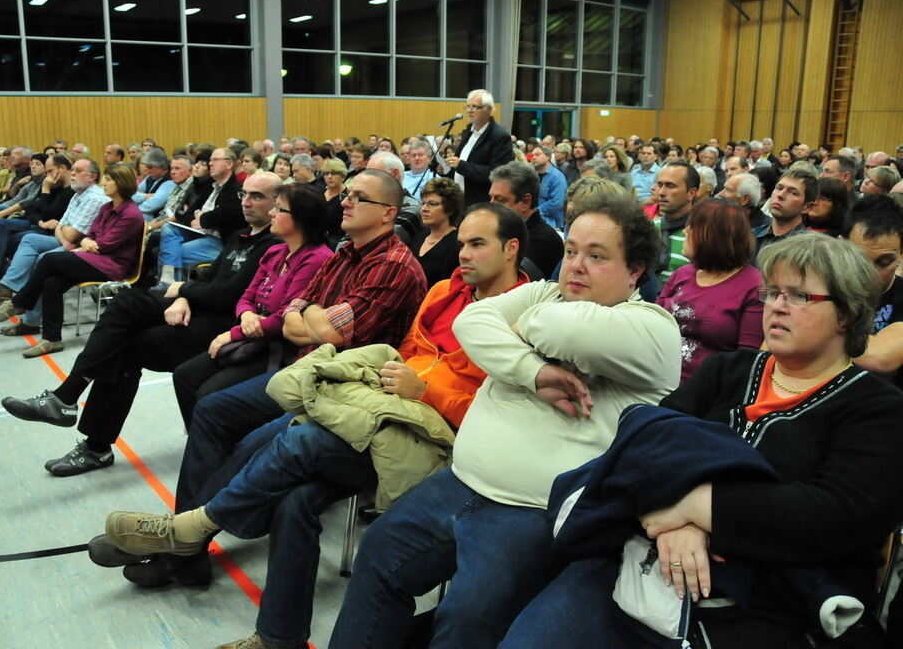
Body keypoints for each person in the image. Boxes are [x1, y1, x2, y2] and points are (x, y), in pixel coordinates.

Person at [97, 203, 532, 649]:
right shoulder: (444, 290)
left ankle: (191, 530)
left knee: (297, 435)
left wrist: (424, 393)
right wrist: (385, 377)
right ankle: (277, 637)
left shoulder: (523, 319)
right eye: (462, 243)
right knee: (293, 497)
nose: (463, 254)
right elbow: (386, 345)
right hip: (380, 408)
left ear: (511, 248)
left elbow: (497, 408)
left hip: (431, 436)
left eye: (477, 244)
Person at [501, 233, 903, 649]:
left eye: (799, 296)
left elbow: (834, 517)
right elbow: (640, 440)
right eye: (772, 292)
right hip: (643, 561)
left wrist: (693, 509)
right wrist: (680, 524)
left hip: (771, 602)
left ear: (845, 315)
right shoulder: (729, 370)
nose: (777, 306)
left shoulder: (876, 407)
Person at [326, 194, 680, 649]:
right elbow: (471, 323)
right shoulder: (547, 293)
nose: (575, 266)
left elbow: (564, 330)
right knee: (378, 560)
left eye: (596, 256)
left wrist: (515, 326)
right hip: (459, 480)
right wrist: (533, 372)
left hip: (533, 512)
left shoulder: (652, 328)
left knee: (468, 621)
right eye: (571, 251)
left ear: (635, 271)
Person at [0, 172, 283, 476]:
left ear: (275, 204)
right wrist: (184, 298)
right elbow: (207, 278)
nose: (247, 202)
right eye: (244, 195)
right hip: (195, 310)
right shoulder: (240, 235)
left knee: (126, 319)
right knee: (123, 335)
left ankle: (72, 405)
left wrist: (183, 291)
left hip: (221, 329)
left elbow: (227, 296)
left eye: (257, 196)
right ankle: (83, 427)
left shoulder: (271, 245)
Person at [171, 184, 334, 426]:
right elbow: (246, 297)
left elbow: (286, 316)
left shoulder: (317, 259)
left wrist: (232, 333)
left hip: (281, 347)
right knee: (184, 375)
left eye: (279, 209)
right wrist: (247, 317)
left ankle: (218, 450)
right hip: (253, 335)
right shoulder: (275, 252)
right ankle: (204, 444)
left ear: (300, 219)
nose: (271, 214)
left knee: (209, 395)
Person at [0, 163, 144, 356]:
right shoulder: (107, 207)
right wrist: (86, 241)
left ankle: (20, 302)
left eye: (108, 179)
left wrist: (89, 242)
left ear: (121, 183)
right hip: (94, 258)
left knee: (49, 260)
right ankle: (52, 339)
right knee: (52, 283)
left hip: (112, 266)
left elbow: (104, 245)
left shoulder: (131, 214)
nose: (103, 183)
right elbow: (90, 235)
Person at [656, 198, 764, 381]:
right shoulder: (682, 273)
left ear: (713, 235)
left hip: (705, 391)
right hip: (657, 376)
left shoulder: (753, 285)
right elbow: (653, 320)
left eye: (691, 227)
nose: (685, 232)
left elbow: (745, 361)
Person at [156, 147, 245, 285]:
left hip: (218, 241)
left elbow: (223, 215)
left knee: (171, 253)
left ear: (229, 164)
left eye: (215, 160)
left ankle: (169, 285)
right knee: (168, 228)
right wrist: (200, 217)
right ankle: (172, 284)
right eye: (210, 160)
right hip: (197, 233)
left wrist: (202, 218)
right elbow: (188, 215)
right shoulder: (210, 187)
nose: (210, 163)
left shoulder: (235, 190)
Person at [846, 196, 903, 386]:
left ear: (901, 254)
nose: (870, 274)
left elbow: (880, 357)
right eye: (859, 260)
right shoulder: (820, 285)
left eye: (884, 263)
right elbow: (769, 347)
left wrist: (805, 337)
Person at [487, 161, 564, 279]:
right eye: (491, 198)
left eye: (500, 200)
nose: (491, 206)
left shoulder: (543, 241)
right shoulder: (505, 231)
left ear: (525, 202)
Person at [444, 89, 515, 205]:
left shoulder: (499, 136)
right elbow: (459, 166)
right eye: (468, 107)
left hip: (481, 202)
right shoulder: (468, 132)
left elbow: (498, 173)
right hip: (460, 200)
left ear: (489, 109)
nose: (470, 111)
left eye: (475, 107)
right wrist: (446, 169)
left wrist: (461, 165)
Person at [408, 177, 463, 285]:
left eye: (432, 204)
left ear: (450, 209)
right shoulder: (418, 237)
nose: (424, 208)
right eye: (423, 203)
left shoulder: (457, 243)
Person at [755, 168, 815, 256]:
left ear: (807, 207)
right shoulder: (750, 236)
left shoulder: (812, 249)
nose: (780, 195)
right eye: (779, 188)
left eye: (793, 193)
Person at [531, 146, 568, 231]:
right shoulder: (532, 175)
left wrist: (535, 211)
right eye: (533, 155)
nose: (534, 157)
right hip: (534, 219)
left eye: (537, 155)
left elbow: (557, 202)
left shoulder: (557, 177)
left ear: (548, 157)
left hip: (552, 223)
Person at [320, 157, 349, 242]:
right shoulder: (320, 193)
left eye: (334, 173)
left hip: (339, 240)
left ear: (342, 176)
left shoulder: (348, 195)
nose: (329, 176)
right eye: (326, 173)